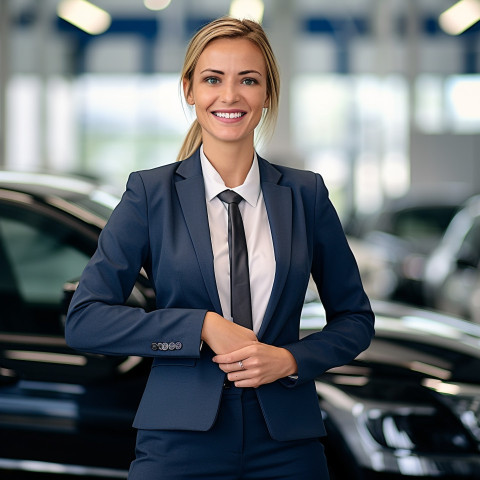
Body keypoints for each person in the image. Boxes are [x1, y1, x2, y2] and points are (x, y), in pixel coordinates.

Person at [65, 16, 374, 480]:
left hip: (286, 443)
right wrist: (201, 327)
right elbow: (86, 320)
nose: (229, 96)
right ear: (189, 89)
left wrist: (291, 359)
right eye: (213, 79)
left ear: (267, 93)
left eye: (248, 80)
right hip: (179, 442)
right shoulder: (150, 194)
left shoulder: (306, 195)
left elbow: (355, 319)